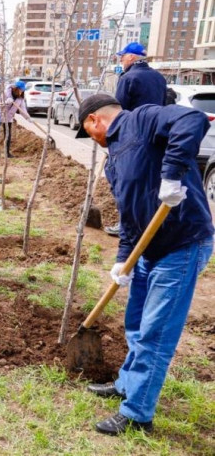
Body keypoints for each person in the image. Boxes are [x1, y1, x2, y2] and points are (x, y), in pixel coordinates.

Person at [75, 93, 213, 436]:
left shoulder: (143, 119)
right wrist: (123, 258)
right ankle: (127, 383)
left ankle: (137, 413)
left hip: (181, 243)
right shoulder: (114, 160)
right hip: (146, 249)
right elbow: (130, 215)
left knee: (156, 332)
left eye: (87, 131)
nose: (92, 138)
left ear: (94, 121)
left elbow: (193, 120)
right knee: (135, 322)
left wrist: (171, 175)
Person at [105, 42, 168, 236]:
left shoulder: (128, 77)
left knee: (121, 179)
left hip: (131, 137)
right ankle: (149, 225)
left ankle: (127, 225)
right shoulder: (159, 78)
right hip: (155, 136)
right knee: (149, 182)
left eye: (123, 57)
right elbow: (163, 105)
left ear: (132, 57)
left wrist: (112, 139)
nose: (121, 60)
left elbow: (119, 111)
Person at [0, 81, 32, 158]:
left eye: (23, 90)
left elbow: (22, 110)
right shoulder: (6, 93)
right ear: (16, 89)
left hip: (9, 118)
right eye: (20, 90)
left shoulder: (20, 99)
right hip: (0, 115)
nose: (21, 92)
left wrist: (28, 118)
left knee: (8, 135)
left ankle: (7, 153)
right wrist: (6, 103)